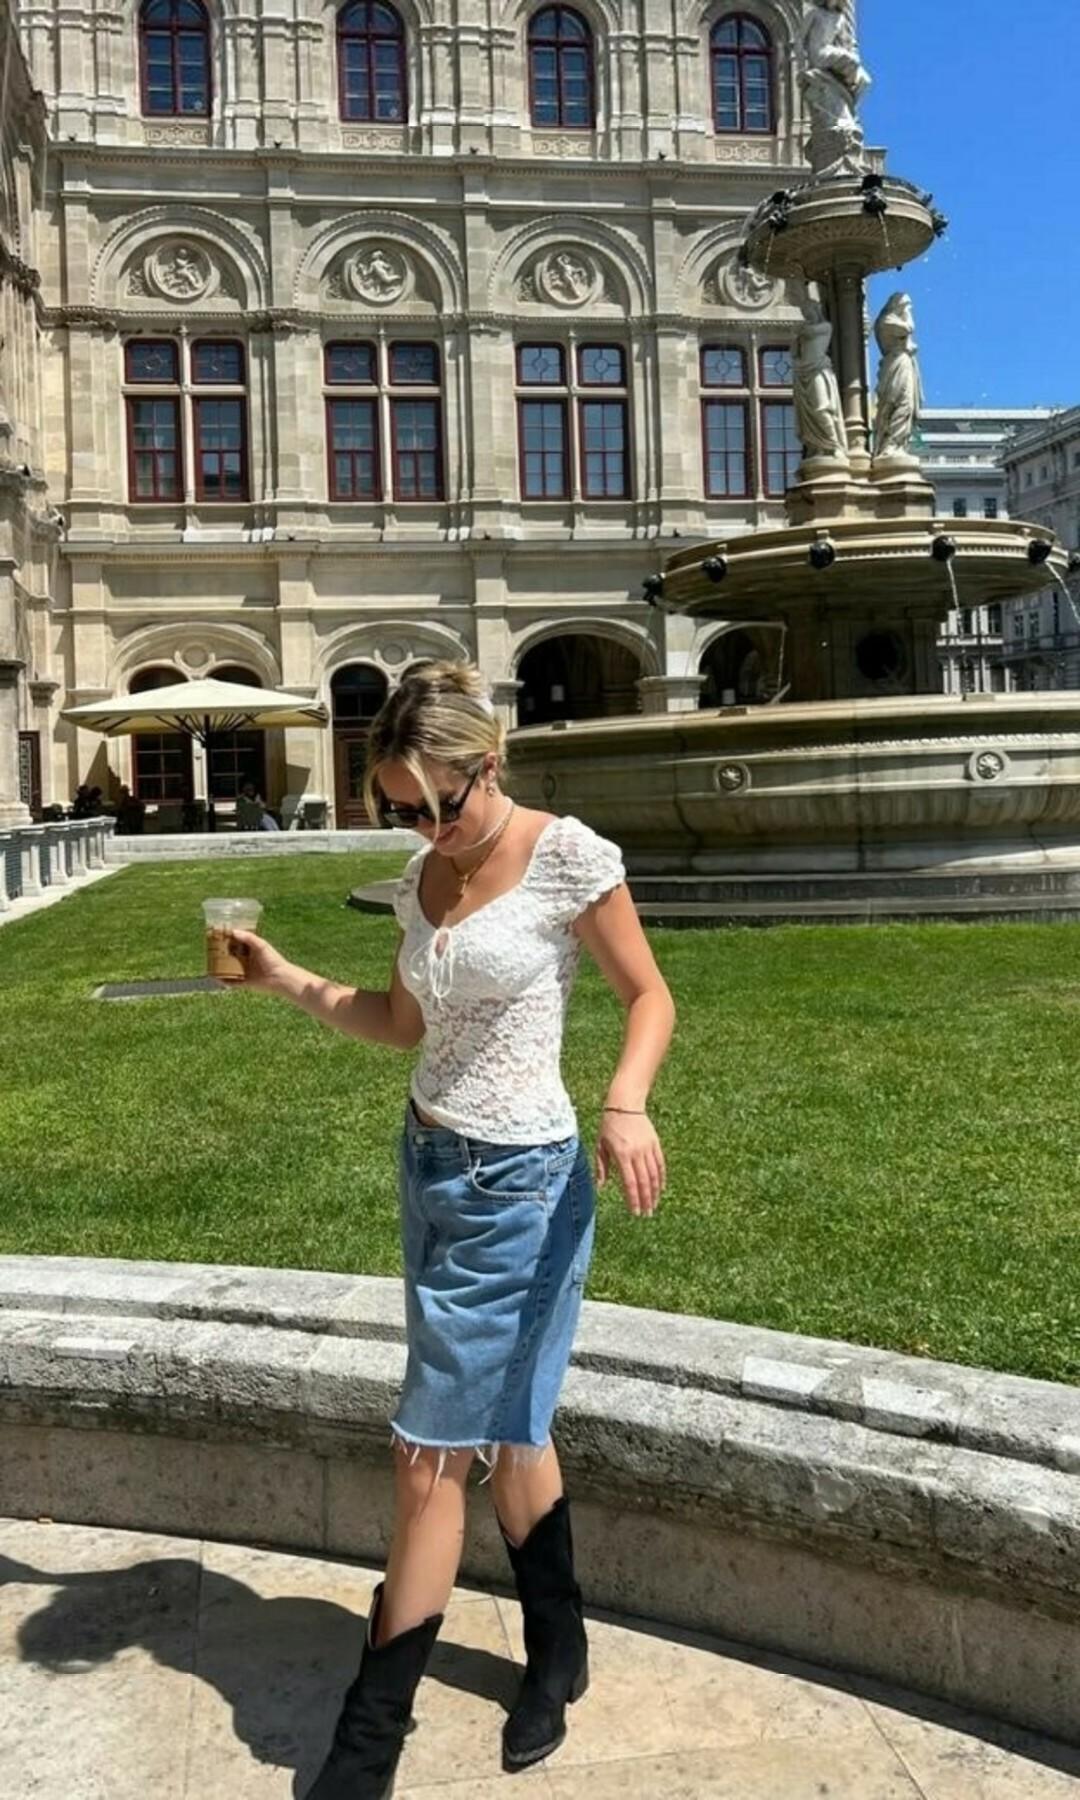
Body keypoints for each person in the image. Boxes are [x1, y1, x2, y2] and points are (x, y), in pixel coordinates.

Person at [227, 661, 675, 1800]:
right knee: (511, 1426)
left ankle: (363, 1747)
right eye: (400, 809)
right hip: (430, 1168)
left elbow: (649, 996)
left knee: (427, 1452)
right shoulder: (422, 874)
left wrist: (625, 1101)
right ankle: (559, 1646)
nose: (425, 827)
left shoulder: (566, 854)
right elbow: (399, 1021)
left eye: (439, 803)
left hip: (523, 1184)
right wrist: (284, 979)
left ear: (491, 762)